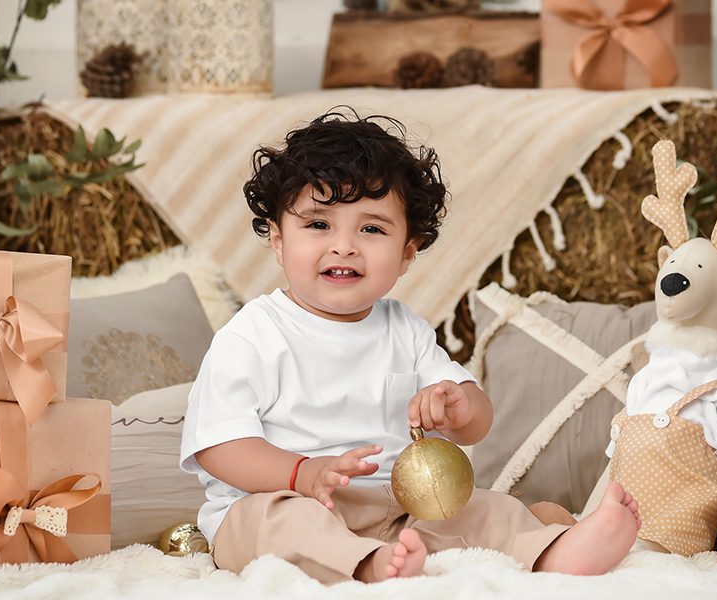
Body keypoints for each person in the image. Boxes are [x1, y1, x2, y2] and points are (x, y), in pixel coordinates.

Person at [180, 107, 641, 584]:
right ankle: (366, 566)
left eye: (372, 228)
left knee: (482, 508)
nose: (344, 246)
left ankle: (554, 551)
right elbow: (219, 445)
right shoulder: (253, 333)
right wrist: (302, 474)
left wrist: (457, 406)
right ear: (277, 240)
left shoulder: (406, 329)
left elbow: (476, 423)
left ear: (406, 253)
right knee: (280, 528)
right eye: (318, 225)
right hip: (280, 499)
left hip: (398, 507)